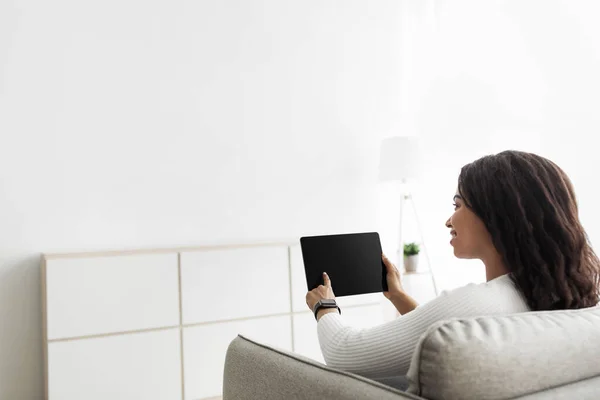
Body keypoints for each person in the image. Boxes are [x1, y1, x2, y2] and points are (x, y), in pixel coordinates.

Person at [306, 150, 600, 383]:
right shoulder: (559, 296)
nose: (449, 220)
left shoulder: (480, 303)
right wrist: (398, 296)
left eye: (458, 205)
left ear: (497, 216)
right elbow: (452, 340)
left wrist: (325, 307)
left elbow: (345, 354)